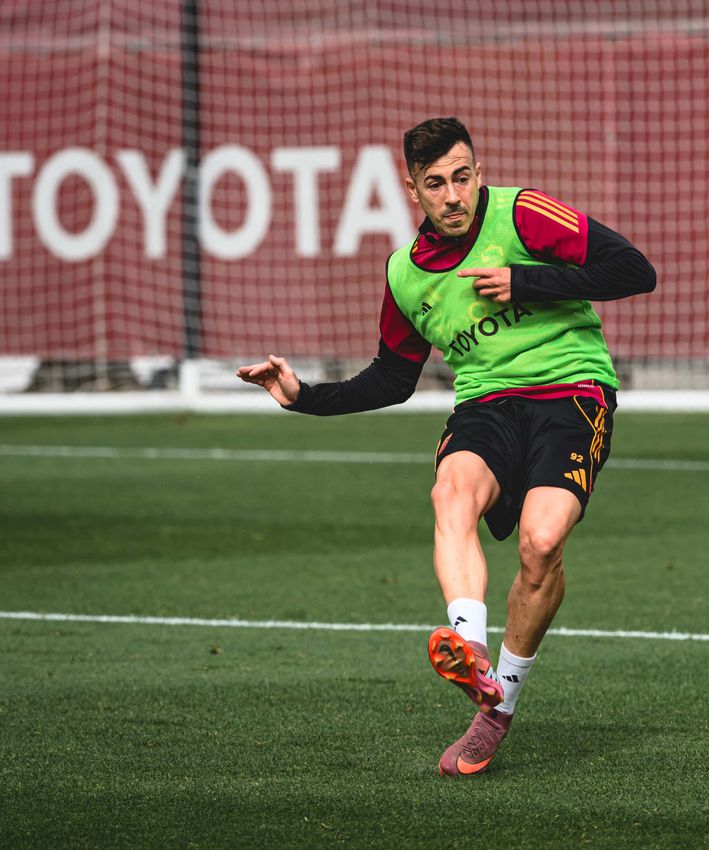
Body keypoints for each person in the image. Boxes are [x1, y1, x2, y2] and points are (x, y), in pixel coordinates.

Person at [236, 117, 656, 772]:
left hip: (572, 393)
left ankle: (497, 708)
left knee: (541, 544)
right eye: (436, 184)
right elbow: (393, 378)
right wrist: (302, 396)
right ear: (414, 190)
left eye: (462, 177)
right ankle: (472, 654)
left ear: (478, 173)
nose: (453, 195)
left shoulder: (522, 215)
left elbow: (634, 270)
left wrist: (527, 281)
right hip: (485, 405)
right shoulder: (405, 274)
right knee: (450, 493)